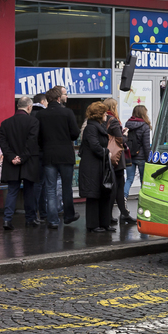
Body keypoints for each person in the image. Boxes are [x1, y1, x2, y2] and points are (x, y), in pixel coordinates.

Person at [36, 85, 80, 229]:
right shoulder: (67, 113)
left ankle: (53, 220)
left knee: (50, 189)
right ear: (59, 98)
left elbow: (38, 137)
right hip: (65, 155)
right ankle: (68, 215)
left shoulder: (41, 115)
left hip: (48, 155)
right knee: (66, 187)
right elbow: (75, 134)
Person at [0, 96, 41, 230]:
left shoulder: (5, 123)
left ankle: (7, 219)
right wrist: (22, 158)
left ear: (18, 106)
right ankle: (30, 219)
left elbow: (2, 142)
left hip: (11, 162)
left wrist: (12, 157)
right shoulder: (33, 122)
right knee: (29, 191)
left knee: (12, 191)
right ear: (29, 107)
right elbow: (31, 142)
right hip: (29, 161)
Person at [79, 101, 114, 233]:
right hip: (91, 167)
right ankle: (93, 225)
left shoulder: (98, 126)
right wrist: (107, 152)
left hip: (100, 165)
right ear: (99, 114)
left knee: (104, 192)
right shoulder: (91, 128)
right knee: (93, 195)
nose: (106, 114)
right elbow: (95, 146)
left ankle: (104, 223)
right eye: (104, 112)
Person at [102, 98, 128, 230]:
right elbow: (120, 140)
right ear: (113, 107)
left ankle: (116, 214)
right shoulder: (113, 121)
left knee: (112, 187)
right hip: (116, 158)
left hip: (107, 156)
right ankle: (120, 214)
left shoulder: (103, 119)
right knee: (118, 187)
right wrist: (125, 135)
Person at [124, 105, 153, 216]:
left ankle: (124, 197)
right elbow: (146, 146)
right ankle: (143, 202)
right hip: (141, 158)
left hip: (130, 156)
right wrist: (149, 159)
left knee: (129, 179)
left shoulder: (128, 124)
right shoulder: (145, 126)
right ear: (143, 113)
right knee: (143, 180)